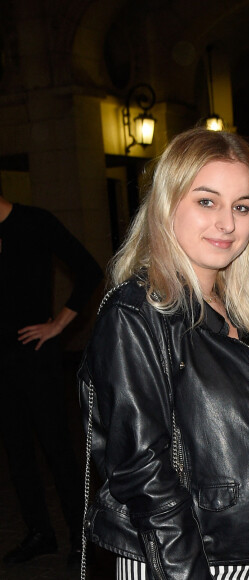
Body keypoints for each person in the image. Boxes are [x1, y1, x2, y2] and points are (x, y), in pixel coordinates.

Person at [78, 127, 249, 580]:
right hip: (174, 560)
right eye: (206, 201)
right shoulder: (137, 312)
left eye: (242, 207)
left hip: (243, 556)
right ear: (168, 204)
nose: (227, 223)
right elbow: (142, 472)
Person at [0, 190, 103, 568]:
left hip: (36, 356)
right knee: (17, 451)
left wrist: (57, 324)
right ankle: (39, 533)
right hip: (1, 361)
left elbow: (90, 270)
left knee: (56, 448)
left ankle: (82, 538)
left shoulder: (34, 222)